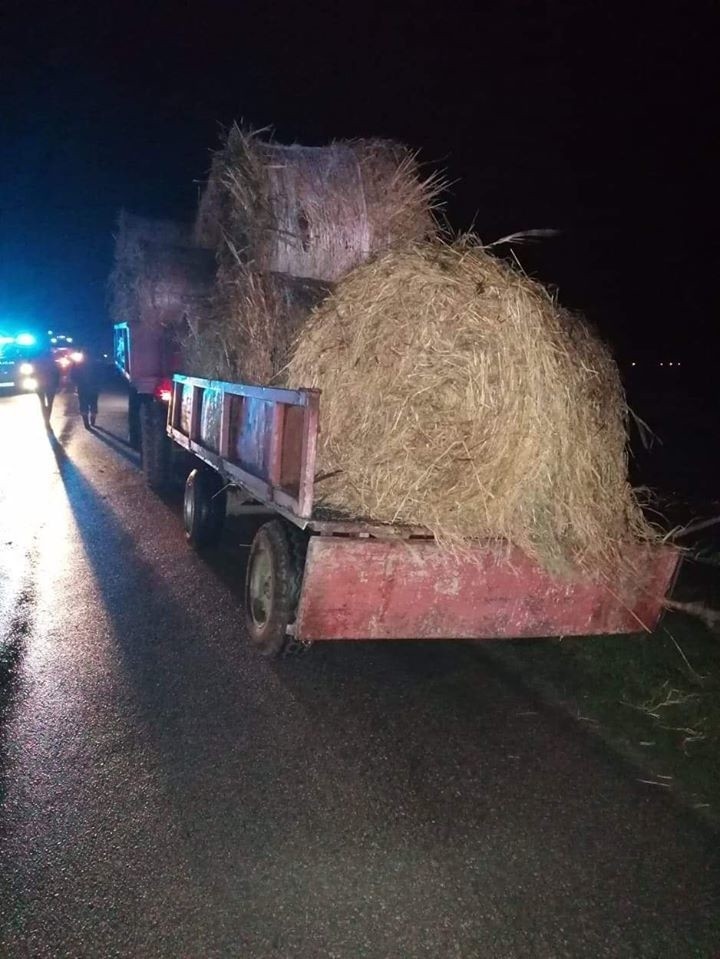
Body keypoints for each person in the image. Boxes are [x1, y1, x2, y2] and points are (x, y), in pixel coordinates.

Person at [70, 354, 102, 429]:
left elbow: (73, 376)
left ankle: (86, 423)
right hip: (93, 388)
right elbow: (101, 376)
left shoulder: (77, 364)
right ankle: (92, 421)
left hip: (82, 388)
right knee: (93, 404)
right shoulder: (96, 364)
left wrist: (77, 383)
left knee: (83, 405)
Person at [34, 351, 61, 427]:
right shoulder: (52, 362)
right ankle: (47, 419)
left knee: (42, 403)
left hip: (40, 385)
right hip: (50, 385)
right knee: (49, 403)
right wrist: (57, 384)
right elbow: (57, 374)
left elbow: (32, 373)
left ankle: (46, 420)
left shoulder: (36, 361)